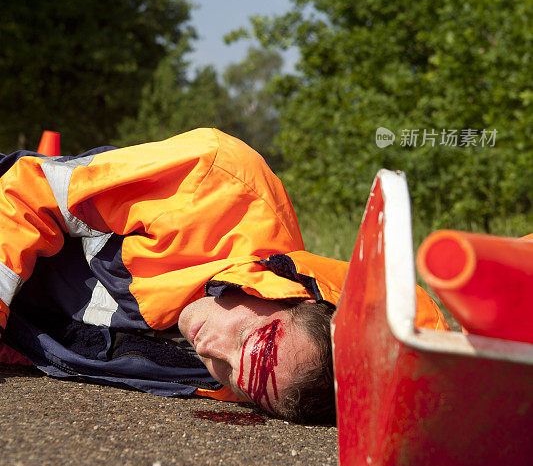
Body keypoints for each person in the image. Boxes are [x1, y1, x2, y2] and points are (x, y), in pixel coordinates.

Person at [0, 128, 446, 422]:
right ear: (290, 293)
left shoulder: (240, 381)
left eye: (234, 377)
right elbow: (25, 189)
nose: (211, 352)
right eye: (249, 343)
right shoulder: (214, 185)